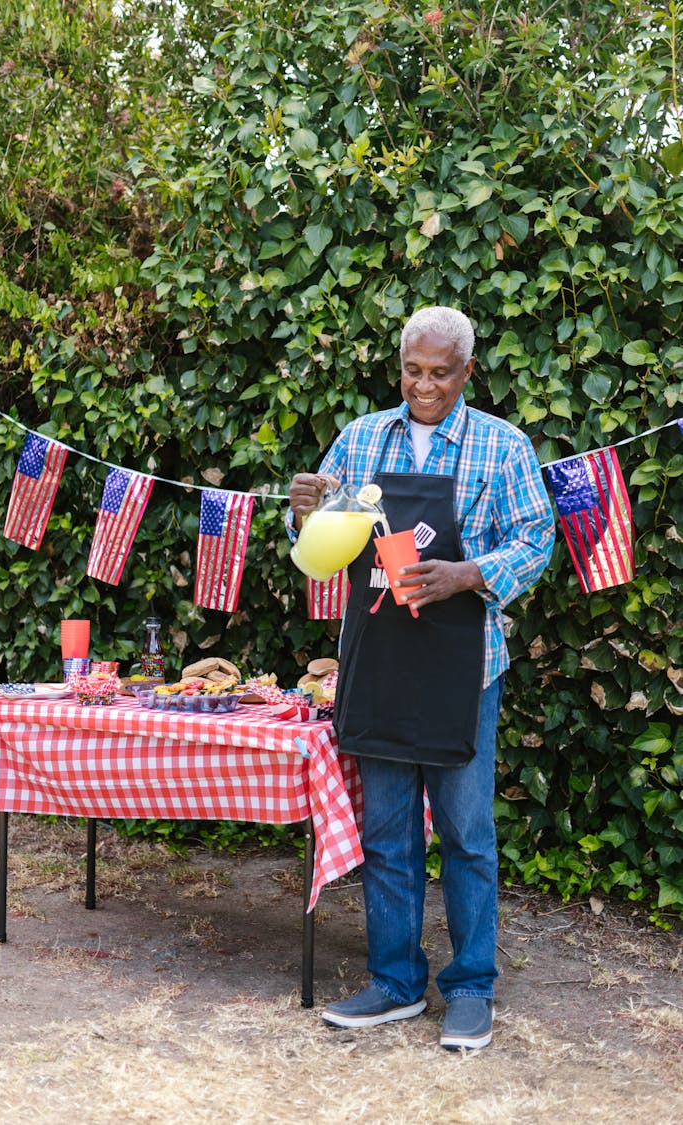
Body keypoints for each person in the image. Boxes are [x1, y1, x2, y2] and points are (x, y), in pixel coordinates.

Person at [287, 306, 555, 1050]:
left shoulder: (503, 447)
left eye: (440, 372)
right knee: (387, 831)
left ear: (467, 372)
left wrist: (471, 572)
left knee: (467, 832)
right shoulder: (362, 438)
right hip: (378, 660)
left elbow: (537, 536)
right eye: (413, 369)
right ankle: (397, 981)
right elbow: (321, 546)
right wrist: (300, 511)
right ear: (398, 364)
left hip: (463, 668)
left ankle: (470, 985)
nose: (424, 385)